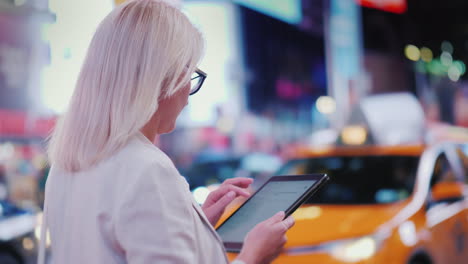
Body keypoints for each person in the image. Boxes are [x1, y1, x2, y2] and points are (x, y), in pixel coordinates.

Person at [38, 0, 295, 264]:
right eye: (192, 72)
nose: (188, 95)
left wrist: (193, 222)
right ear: (163, 76)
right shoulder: (146, 168)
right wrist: (253, 257)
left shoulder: (65, 166)